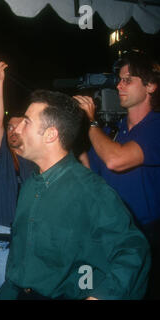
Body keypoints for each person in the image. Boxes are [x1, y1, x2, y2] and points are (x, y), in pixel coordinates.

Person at [0, 89, 151, 300]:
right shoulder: (31, 184)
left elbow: (133, 250)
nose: (17, 129)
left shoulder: (89, 190)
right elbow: (20, 261)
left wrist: (102, 296)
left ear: (51, 134)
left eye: (26, 122)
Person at [74, 51, 160, 299]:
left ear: (151, 86)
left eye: (128, 80)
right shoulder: (114, 130)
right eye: (119, 80)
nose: (119, 86)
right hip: (112, 232)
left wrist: (92, 124)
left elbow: (116, 160)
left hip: (145, 235)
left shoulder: (155, 126)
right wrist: (75, 133)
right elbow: (90, 172)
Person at [0, 57, 36, 297]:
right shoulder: (0, 156)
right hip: (3, 239)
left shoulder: (35, 158)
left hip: (30, 237)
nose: (13, 130)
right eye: (10, 127)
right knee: (4, 292)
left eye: (19, 126)